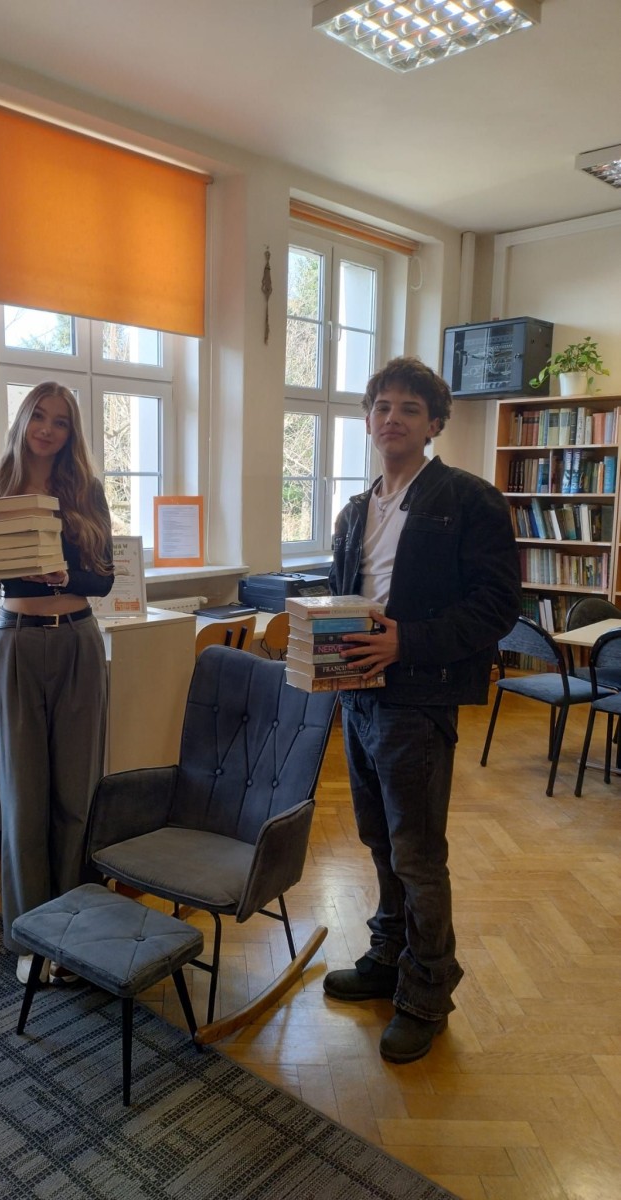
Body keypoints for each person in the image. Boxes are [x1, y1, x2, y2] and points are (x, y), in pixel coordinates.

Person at [324, 356, 521, 1063]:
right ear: (367, 419)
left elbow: (498, 606)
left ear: (434, 423)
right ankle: (388, 955)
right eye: (382, 406)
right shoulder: (355, 510)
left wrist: (406, 641)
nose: (393, 418)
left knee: (417, 854)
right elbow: (345, 597)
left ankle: (427, 993)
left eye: (410, 408)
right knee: (379, 841)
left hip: (420, 698)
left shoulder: (470, 501)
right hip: (359, 695)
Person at [0, 381, 114, 985]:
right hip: (16, 644)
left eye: (60, 421)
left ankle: (73, 933)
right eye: (39, 417)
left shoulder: (86, 491)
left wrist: (65, 574)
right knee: (23, 799)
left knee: (76, 797)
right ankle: (32, 938)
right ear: (22, 421)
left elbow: (104, 580)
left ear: (71, 431)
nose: (48, 430)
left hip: (78, 640)